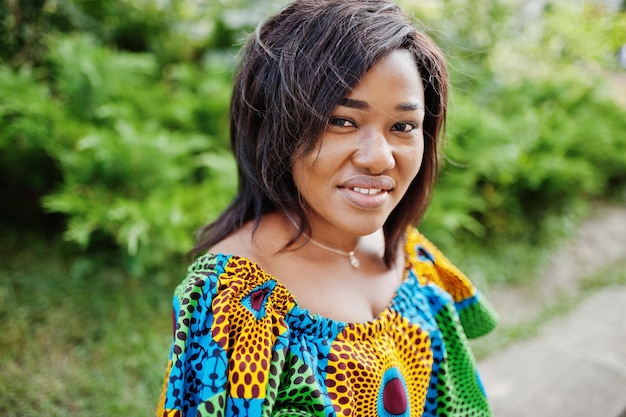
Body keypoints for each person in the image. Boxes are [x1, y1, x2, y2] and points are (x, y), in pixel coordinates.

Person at [156, 0, 498, 416]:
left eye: (403, 126)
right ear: (276, 127)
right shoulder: (234, 301)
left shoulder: (411, 256)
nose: (379, 158)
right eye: (341, 121)